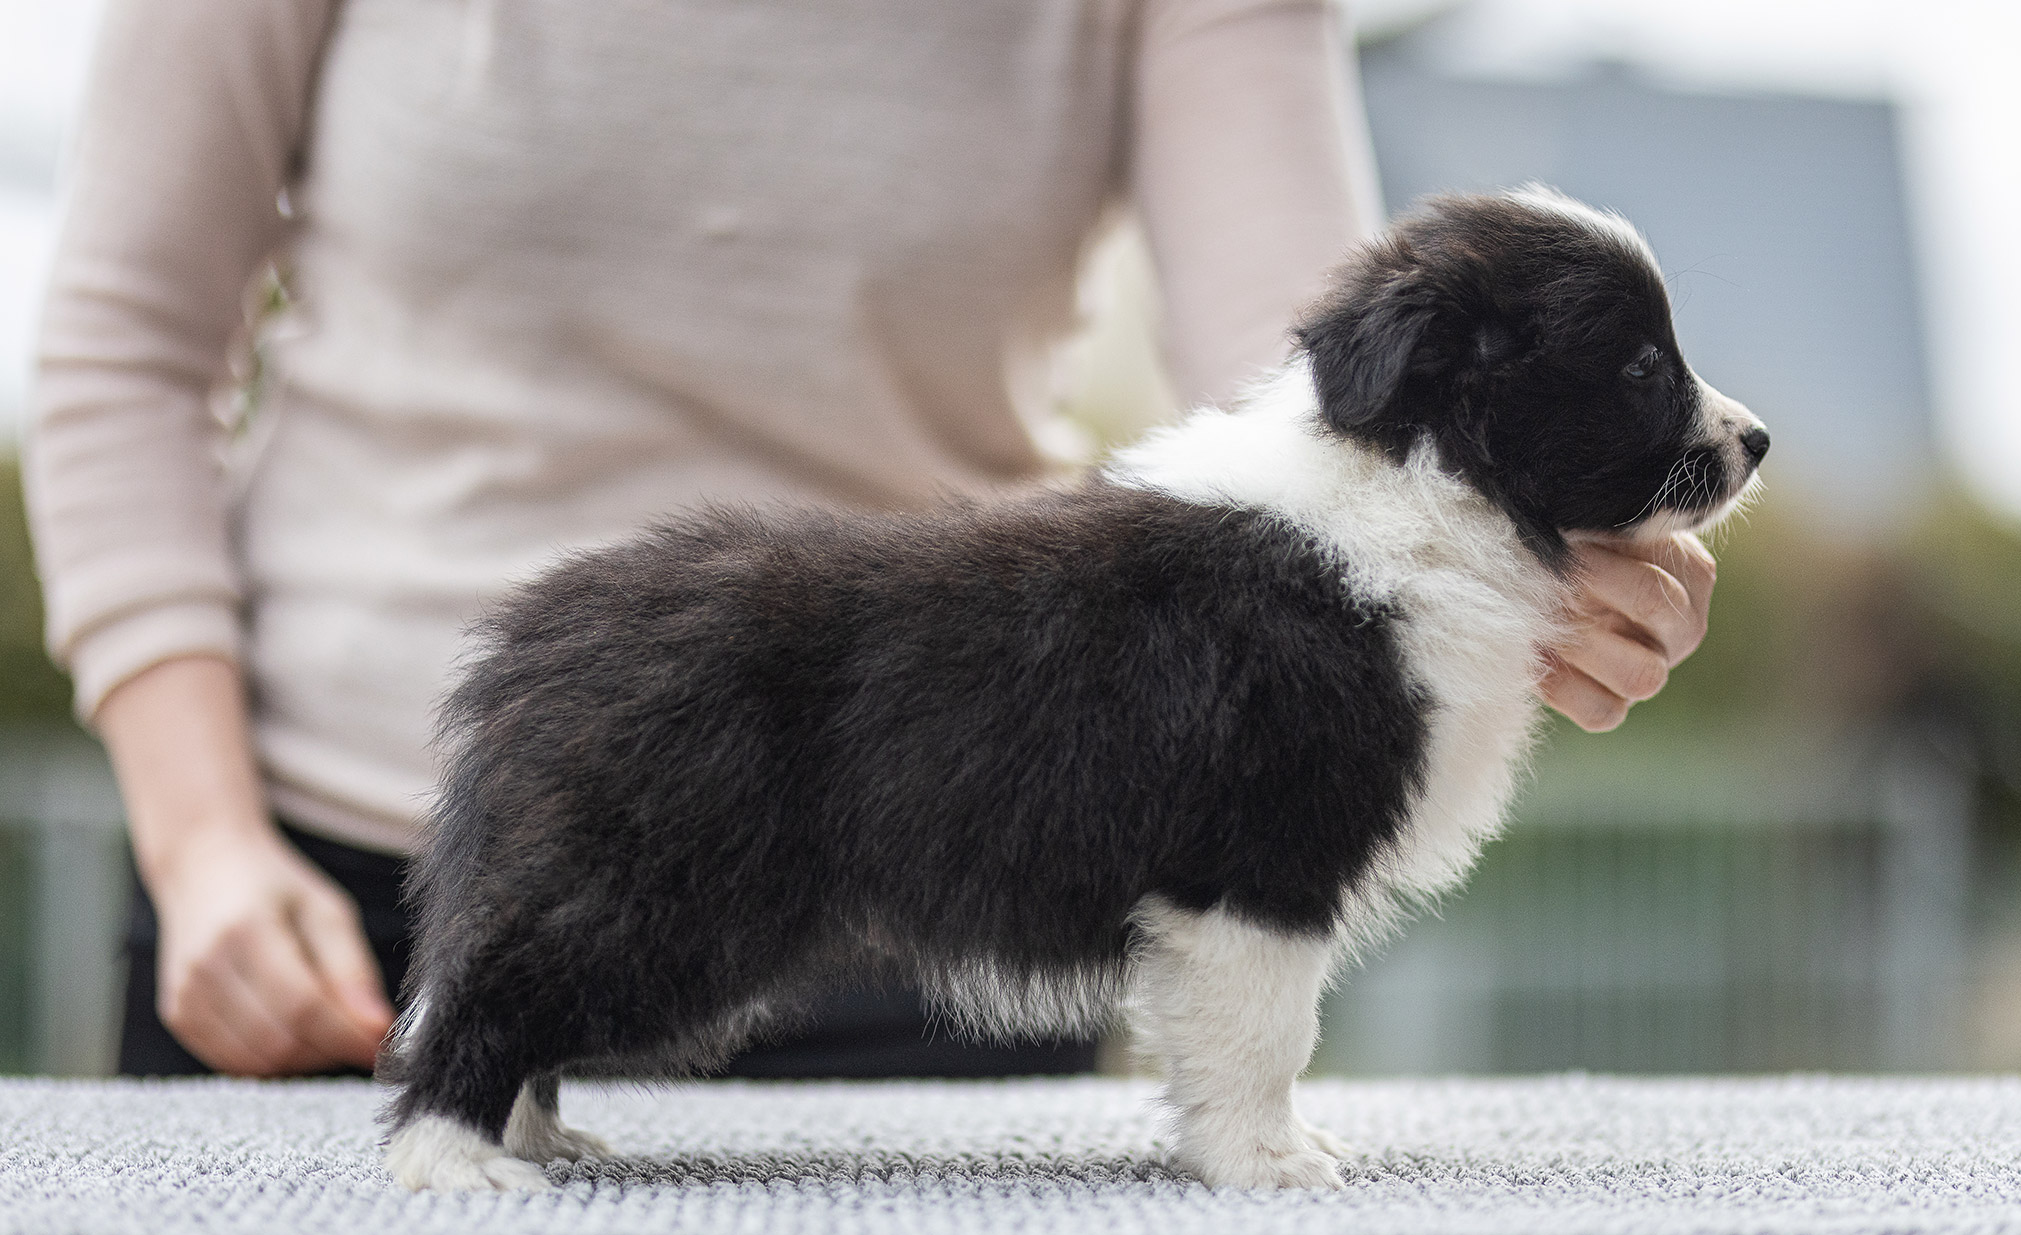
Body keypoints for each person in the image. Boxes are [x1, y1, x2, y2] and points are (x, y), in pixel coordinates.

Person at [26, 0, 1718, 1080]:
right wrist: (199, 848)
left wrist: (1504, 533)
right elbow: (120, 353)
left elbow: (1307, 374)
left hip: (960, 844)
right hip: (325, 886)